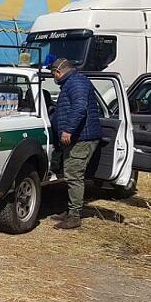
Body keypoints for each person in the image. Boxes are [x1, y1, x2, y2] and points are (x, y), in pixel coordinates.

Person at [49, 58, 102, 230]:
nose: (53, 78)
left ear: (58, 72)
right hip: (77, 137)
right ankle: (71, 210)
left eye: (53, 74)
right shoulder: (71, 83)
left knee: (74, 175)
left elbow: (79, 107)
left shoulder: (77, 82)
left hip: (82, 137)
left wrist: (68, 130)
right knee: (71, 173)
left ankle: (74, 216)